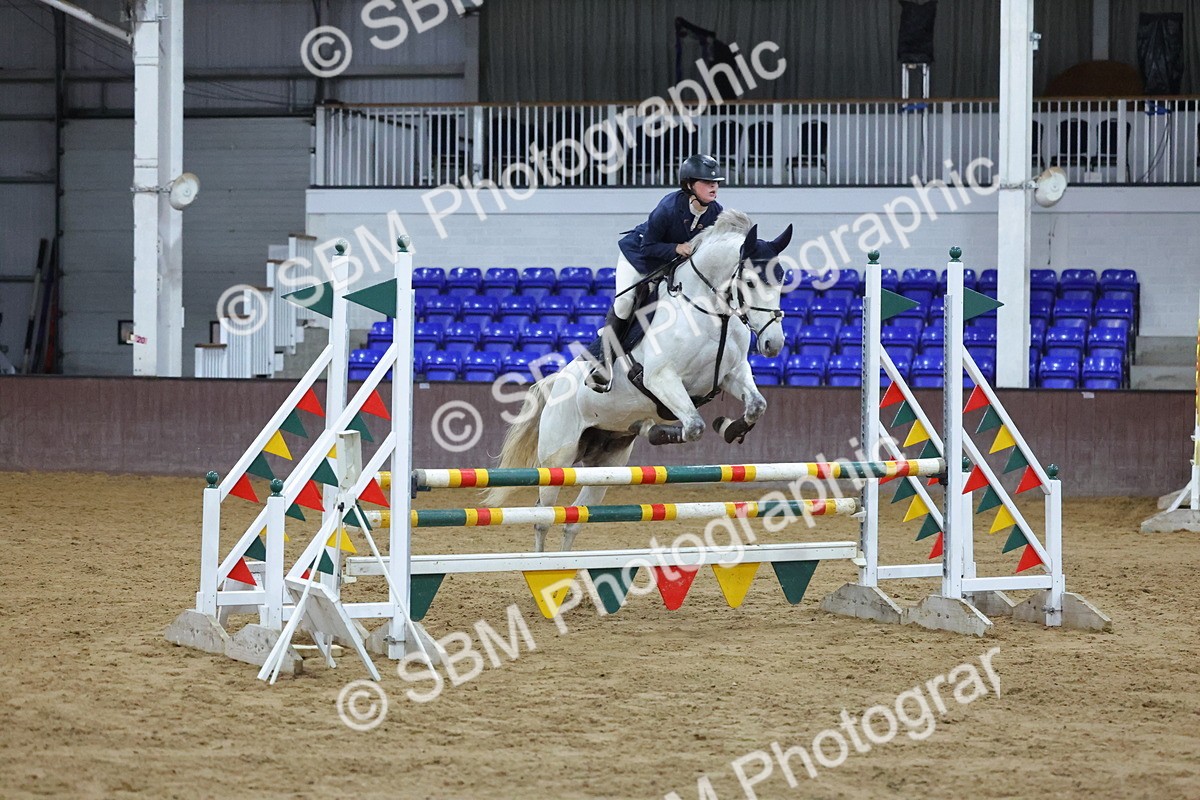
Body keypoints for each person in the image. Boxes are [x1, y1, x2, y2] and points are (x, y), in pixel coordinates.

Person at [587, 154, 726, 392]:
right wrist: (676, 247)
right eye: (706, 182)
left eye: (716, 182)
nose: (714, 186)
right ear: (689, 185)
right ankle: (603, 365)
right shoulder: (669, 207)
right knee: (624, 303)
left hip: (671, 264)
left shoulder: (716, 212)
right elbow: (648, 247)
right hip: (638, 256)